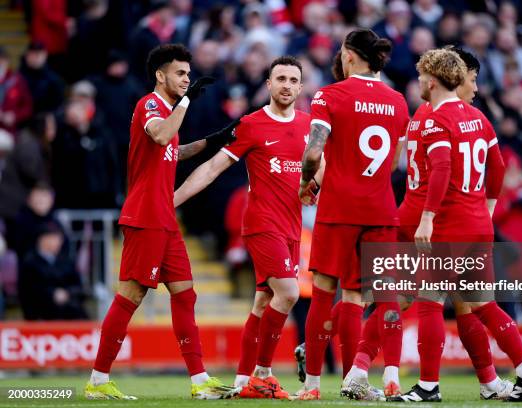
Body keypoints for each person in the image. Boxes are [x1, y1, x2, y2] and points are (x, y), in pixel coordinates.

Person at [344, 47, 514, 402]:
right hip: (435, 221)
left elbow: (396, 161)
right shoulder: (454, 117)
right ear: (456, 76)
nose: (475, 87)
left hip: (412, 214)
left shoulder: (423, 112)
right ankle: (484, 381)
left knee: (397, 296)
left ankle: (358, 366)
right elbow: (455, 170)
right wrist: (480, 212)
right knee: (452, 302)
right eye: (473, 78)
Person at [85, 44, 238, 400]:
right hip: (145, 215)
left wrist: (213, 141)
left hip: (165, 218)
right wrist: (186, 103)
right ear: (160, 75)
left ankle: (200, 380)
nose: (187, 79)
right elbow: (161, 135)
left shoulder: (167, 112)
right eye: (180, 73)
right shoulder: (150, 105)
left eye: (188, 73)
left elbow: (173, 150)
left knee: (185, 294)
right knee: (131, 296)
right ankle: (97, 380)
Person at [392, 48, 522, 403]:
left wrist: (428, 217)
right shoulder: (477, 117)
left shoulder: (436, 120)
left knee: (429, 301)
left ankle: (428, 385)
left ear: (431, 81)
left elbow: (442, 167)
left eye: (419, 79)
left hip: (451, 225)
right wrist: (486, 209)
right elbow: (499, 168)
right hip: (478, 225)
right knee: (484, 304)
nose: (418, 85)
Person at [174, 56, 311, 399]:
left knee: (263, 303)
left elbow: (320, 168)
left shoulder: (310, 125)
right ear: (267, 84)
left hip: (293, 227)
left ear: (300, 87)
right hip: (262, 224)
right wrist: (171, 200)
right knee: (290, 294)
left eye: (293, 80)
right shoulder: (252, 124)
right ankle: (263, 375)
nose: (287, 85)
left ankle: (241, 380)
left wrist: (315, 184)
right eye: (280, 78)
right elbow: (212, 168)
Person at [295, 28, 409, 400]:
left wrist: (306, 182)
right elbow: (395, 160)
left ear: (347, 55)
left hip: (338, 207)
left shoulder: (329, 95)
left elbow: (313, 153)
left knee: (325, 292)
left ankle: (313, 386)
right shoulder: (397, 101)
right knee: (375, 294)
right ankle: (389, 378)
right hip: (380, 208)